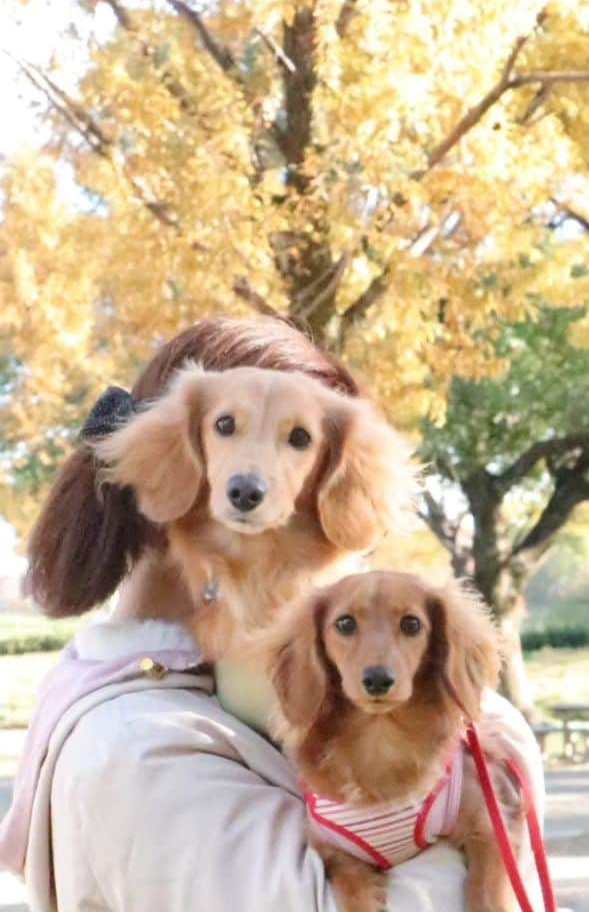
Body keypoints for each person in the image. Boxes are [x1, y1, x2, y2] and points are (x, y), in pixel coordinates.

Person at [0, 317, 543, 912]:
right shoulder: (137, 747)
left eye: (299, 444)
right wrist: (497, 787)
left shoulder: (209, 695)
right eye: (229, 430)